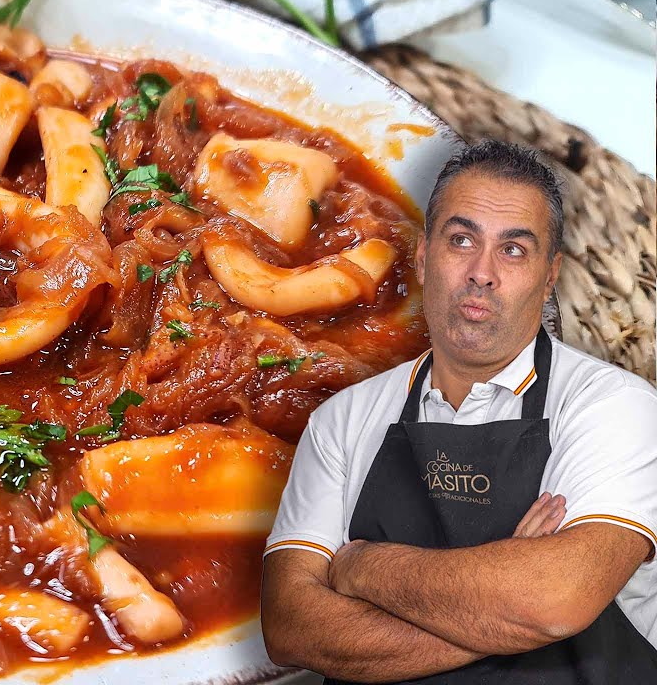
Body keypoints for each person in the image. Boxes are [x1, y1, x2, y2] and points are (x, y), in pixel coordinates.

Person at [260, 140, 657, 683]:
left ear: (550, 277)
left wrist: (362, 566)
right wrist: (504, 604)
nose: (482, 272)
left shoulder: (613, 405)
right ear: (424, 257)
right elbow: (291, 628)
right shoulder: (341, 419)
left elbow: (554, 602)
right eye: (462, 240)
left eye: (513, 250)